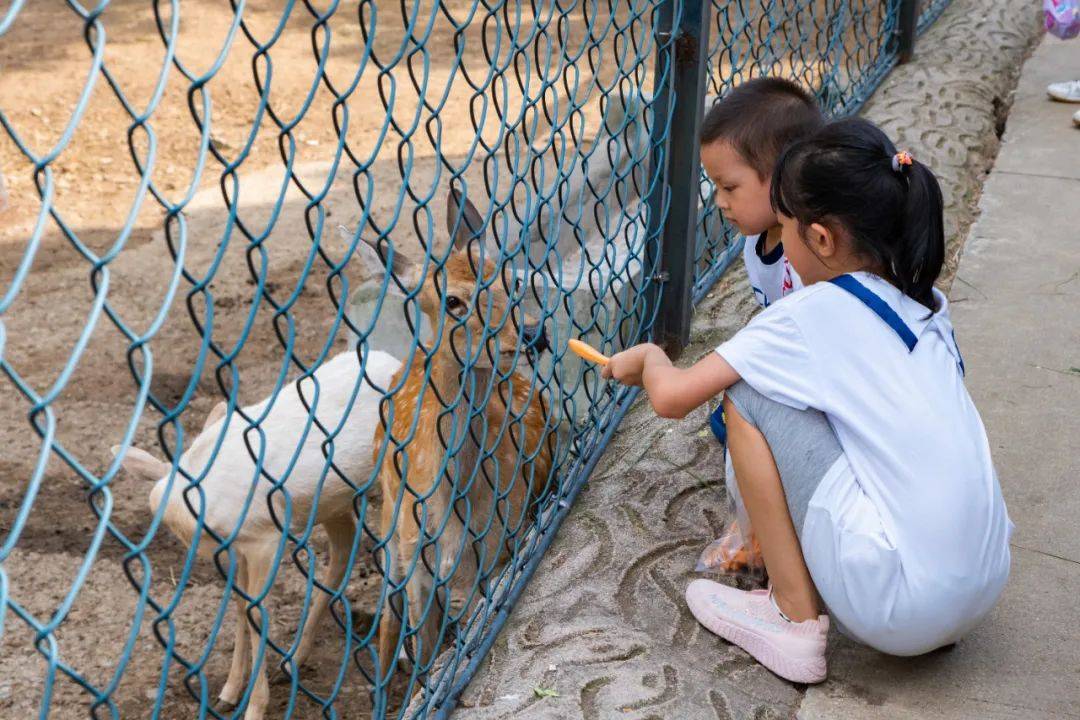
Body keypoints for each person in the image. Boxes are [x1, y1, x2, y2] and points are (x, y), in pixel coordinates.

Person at [602, 117, 1012, 684]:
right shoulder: (925, 302)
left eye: (784, 226)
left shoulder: (806, 313)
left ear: (819, 238)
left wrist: (648, 357)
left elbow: (673, 397)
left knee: (747, 391)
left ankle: (791, 619)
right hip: (981, 585)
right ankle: (870, 587)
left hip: (898, 610)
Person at [700, 77, 825, 308]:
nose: (720, 202)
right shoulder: (756, 237)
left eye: (728, 188)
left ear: (784, 173)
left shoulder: (813, 262)